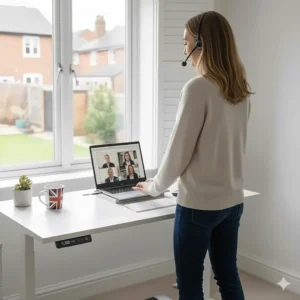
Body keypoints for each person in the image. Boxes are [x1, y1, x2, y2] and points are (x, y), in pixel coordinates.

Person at [134, 11, 252, 300]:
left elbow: (178, 153)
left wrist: (154, 187)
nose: (184, 48)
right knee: (228, 276)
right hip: (233, 201)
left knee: (189, 283)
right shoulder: (240, 90)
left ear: (201, 44)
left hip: (198, 206)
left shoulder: (198, 88)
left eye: (186, 41)